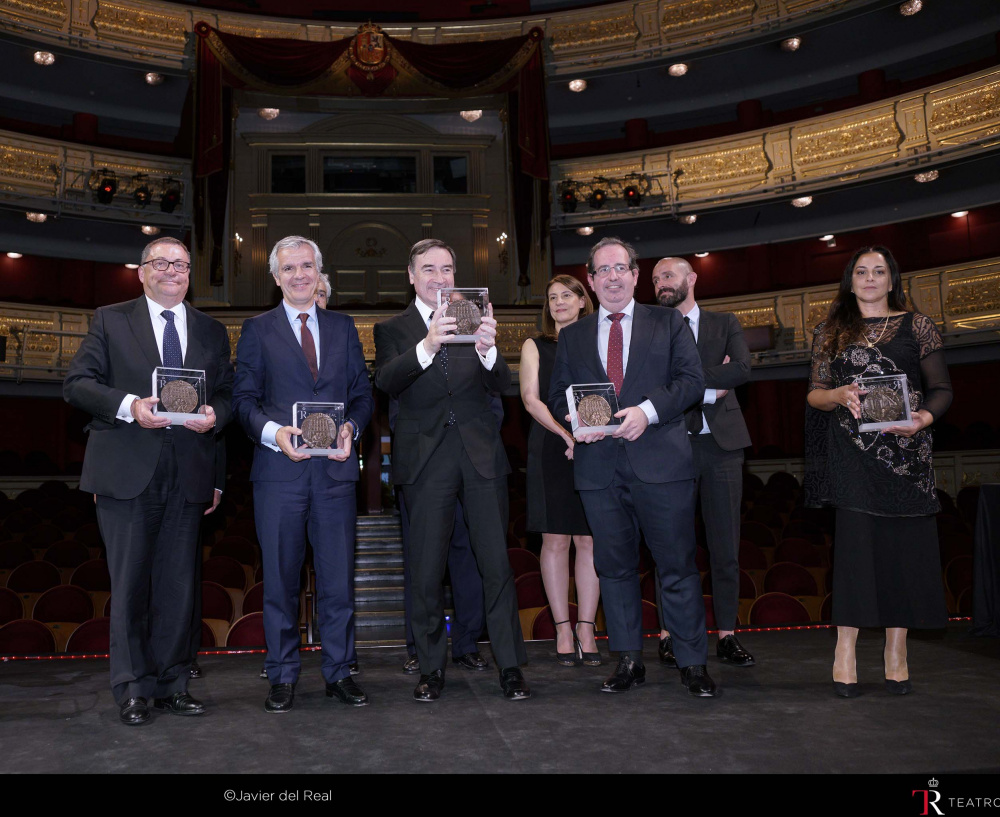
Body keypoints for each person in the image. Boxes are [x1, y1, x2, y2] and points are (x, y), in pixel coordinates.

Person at [63, 237, 233, 725]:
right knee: (132, 587)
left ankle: (173, 682)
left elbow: (226, 397)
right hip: (126, 474)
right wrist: (129, 407)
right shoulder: (110, 319)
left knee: (179, 589)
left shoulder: (212, 330)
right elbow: (78, 383)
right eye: (162, 263)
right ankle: (133, 688)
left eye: (181, 265)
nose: (173, 272)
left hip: (189, 476)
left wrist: (213, 427)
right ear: (142, 272)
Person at [550, 237, 718, 697]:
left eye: (620, 268)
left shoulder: (668, 322)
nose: (612, 277)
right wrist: (573, 417)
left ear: (635, 274)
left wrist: (647, 411)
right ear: (590, 279)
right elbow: (558, 392)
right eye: (602, 270)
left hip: (663, 464)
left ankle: (692, 662)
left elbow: (691, 381)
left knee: (677, 567)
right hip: (599, 469)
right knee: (615, 568)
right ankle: (628, 660)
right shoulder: (573, 335)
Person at [374, 238, 529, 702]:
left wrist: (487, 349)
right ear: (411, 275)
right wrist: (427, 344)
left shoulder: (474, 317)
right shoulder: (392, 328)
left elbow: (502, 384)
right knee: (425, 571)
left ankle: (512, 667)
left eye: (447, 269)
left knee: (495, 565)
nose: (439, 277)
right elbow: (385, 381)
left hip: (480, 456)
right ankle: (430, 668)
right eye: (429, 269)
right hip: (424, 459)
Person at [232, 236, 373, 713]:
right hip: (279, 475)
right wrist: (275, 433)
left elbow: (362, 395)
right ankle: (282, 674)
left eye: (307, 266)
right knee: (280, 583)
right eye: (289, 268)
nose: (299, 275)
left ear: (319, 271)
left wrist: (352, 427)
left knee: (338, 584)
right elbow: (243, 401)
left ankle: (339, 671)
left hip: (334, 476)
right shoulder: (256, 330)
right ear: (275, 277)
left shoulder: (344, 326)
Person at [804, 245, 952, 697]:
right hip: (852, 457)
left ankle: (896, 653)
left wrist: (922, 420)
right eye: (862, 272)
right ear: (851, 281)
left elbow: (942, 389)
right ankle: (844, 653)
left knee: (904, 556)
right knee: (854, 556)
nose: (870, 278)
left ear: (892, 280)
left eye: (879, 271)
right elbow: (815, 394)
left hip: (907, 458)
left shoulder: (918, 326)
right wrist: (840, 394)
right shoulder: (830, 331)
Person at [651, 257, 755, 668]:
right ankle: (667, 633)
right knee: (670, 548)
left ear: (691, 280)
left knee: (725, 547)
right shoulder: (653, 329)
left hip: (722, 448)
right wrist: (712, 388)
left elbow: (743, 370)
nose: (661, 283)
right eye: (656, 278)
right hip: (670, 447)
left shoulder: (725, 322)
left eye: (669, 275)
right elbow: (654, 385)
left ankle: (727, 634)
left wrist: (688, 383)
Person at [520, 275, 600, 665]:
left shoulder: (597, 341)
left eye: (567, 295)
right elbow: (530, 400)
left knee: (589, 540)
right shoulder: (535, 345)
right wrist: (567, 435)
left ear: (583, 301)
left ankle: (587, 626)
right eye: (552, 297)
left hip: (596, 444)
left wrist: (588, 433)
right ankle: (563, 628)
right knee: (555, 540)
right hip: (551, 446)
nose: (558, 302)